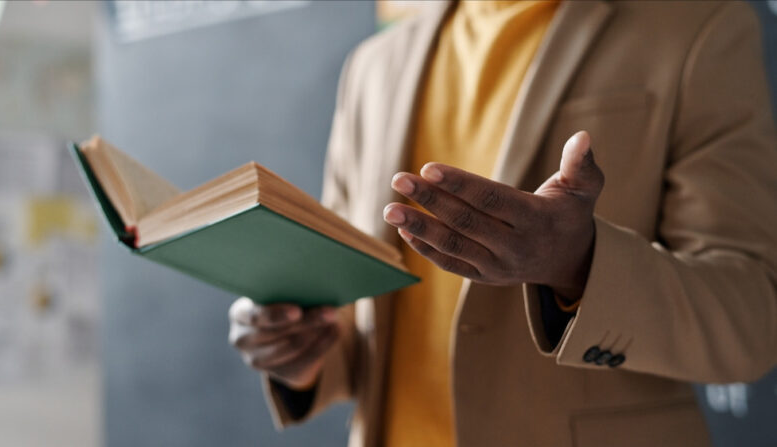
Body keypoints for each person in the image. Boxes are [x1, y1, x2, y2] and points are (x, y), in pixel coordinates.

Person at [228, 1, 777, 446]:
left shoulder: (698, 27)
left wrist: (581, 267)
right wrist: (298, 346)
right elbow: (353, 312)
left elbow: (749, 320)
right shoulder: (372, 67)